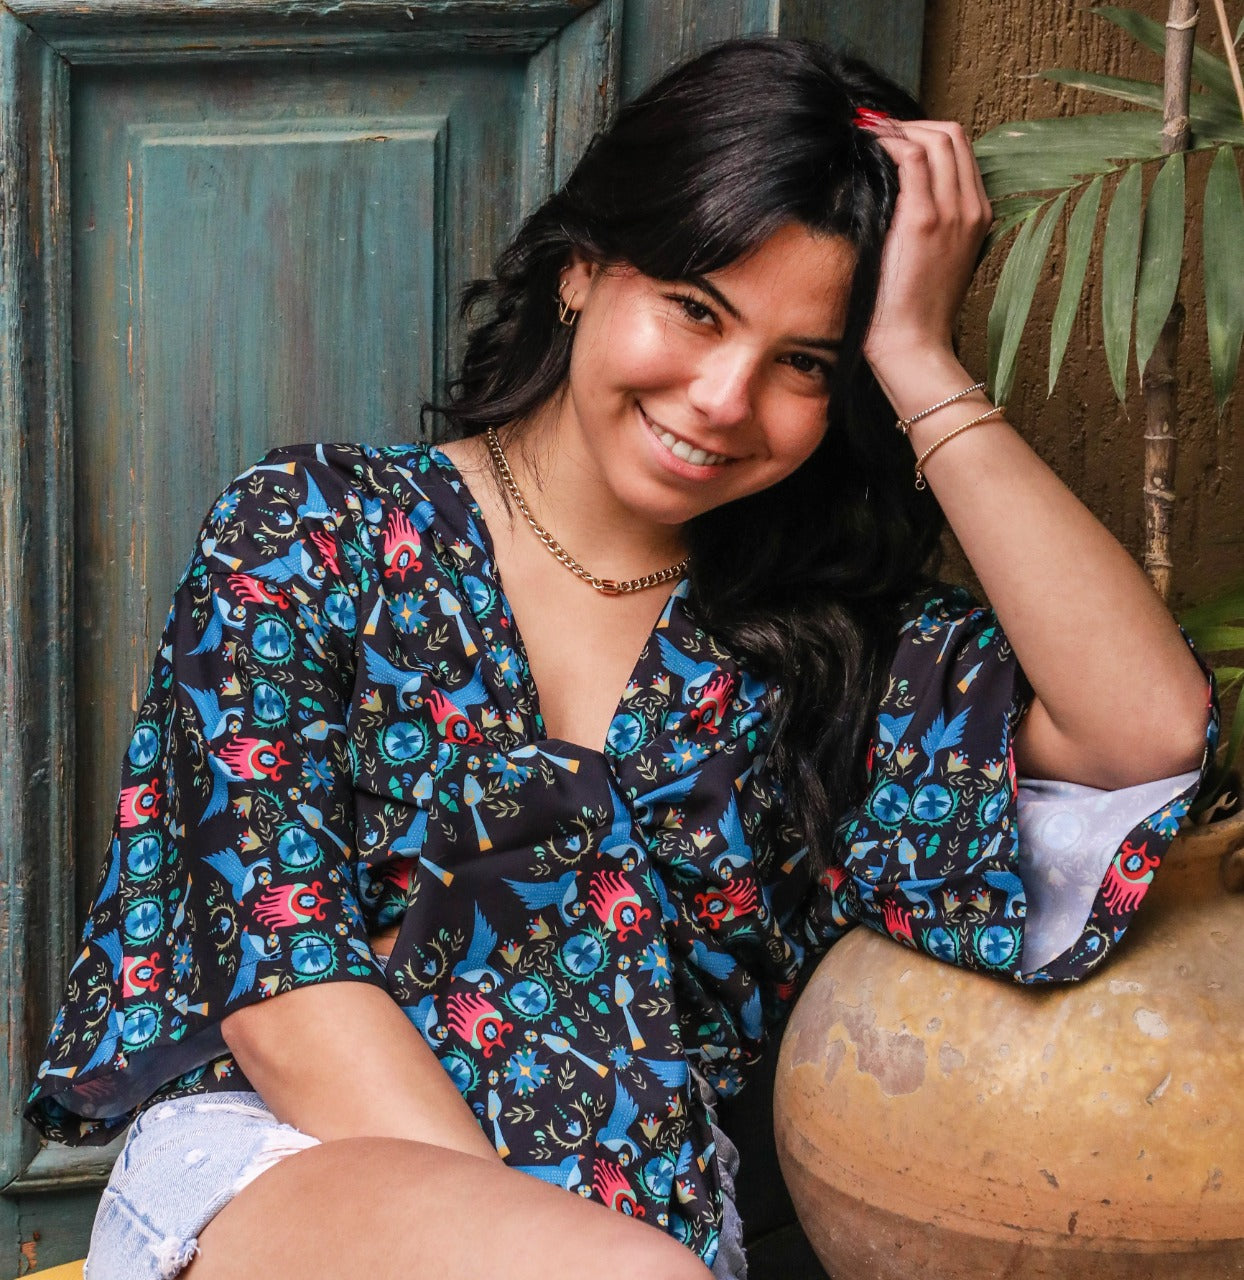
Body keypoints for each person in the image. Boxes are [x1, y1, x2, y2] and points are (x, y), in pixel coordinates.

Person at [26, 37, 1213, 1280]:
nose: (722, 396)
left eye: (802, 363)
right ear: (582, 267)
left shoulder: (825, 643)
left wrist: (918, 355)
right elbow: (287, 988)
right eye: (695, 309)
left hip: (656, 1237)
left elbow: (1143, 727)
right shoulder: (311, 530)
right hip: (292, 1167)